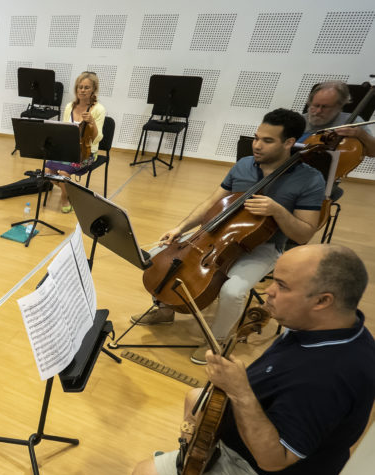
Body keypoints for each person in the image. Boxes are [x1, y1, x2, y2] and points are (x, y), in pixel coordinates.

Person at [101, 244, 375, 475]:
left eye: (282, 286)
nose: (268, 292)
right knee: (196, 398)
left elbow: (275, 459)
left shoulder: (326, 378)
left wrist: (241, 392)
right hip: (268, 435)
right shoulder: (330, 328)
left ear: (323, 301)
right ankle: (193, 464)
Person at [134, 108, 326, 365]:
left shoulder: (309, 179)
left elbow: (304, 233)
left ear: (289, 143)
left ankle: (217, 339)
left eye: (267, 141)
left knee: (233, 290)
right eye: (256, 137)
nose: (256, 145)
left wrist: (277, 211)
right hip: (216, 235)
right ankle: (165, 310)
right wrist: (180, 228)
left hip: (262, 246)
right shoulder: (244, 165)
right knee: (159, 257)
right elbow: (211, 203)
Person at [44, 71, 106, 213]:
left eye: (86, 88)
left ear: (93, 90)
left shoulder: (98, 109)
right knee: (48, 172)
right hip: (68, 149)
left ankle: (65, 198)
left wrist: (92, 123)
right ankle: (72, 192)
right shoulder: (69, 107)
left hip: (88, 153)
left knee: (64, 173)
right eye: (80, 87)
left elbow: (97, 138)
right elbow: (65, 131)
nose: (82, 90)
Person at [299, 81, 375, 155]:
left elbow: (373, 152)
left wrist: (361, 134)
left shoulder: (353, 121)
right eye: (316, 105)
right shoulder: (299, 120)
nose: (318, 111)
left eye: (325, 107)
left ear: (339, 106)